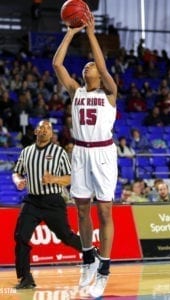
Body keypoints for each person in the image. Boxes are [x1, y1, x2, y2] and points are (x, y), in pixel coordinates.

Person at [52, 13, 118, 298]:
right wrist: (70, 32)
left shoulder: (109, 93)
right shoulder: (75, 92)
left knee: (104, 211)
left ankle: (104, 268)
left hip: (103, 153)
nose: (88, 66)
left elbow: (102, 66)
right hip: (80, 152)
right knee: (81, 209)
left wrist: (90, 33)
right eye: (87, 64)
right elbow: (57, 64)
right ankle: (88, 259)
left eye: (91, 65)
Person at [12, 120, 82, 289]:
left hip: (53, 201)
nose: (44, 130)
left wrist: (54, 179)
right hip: (33, 201)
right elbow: (16, 172)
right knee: (20, 236)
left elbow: (70, 177)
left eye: (48, 128)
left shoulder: (59, 152)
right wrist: (18, 181)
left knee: (66, 236)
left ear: (52, 134)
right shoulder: (27, 151)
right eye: (41, 127)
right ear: (36, 131)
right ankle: (25, 278)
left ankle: (92, 253)